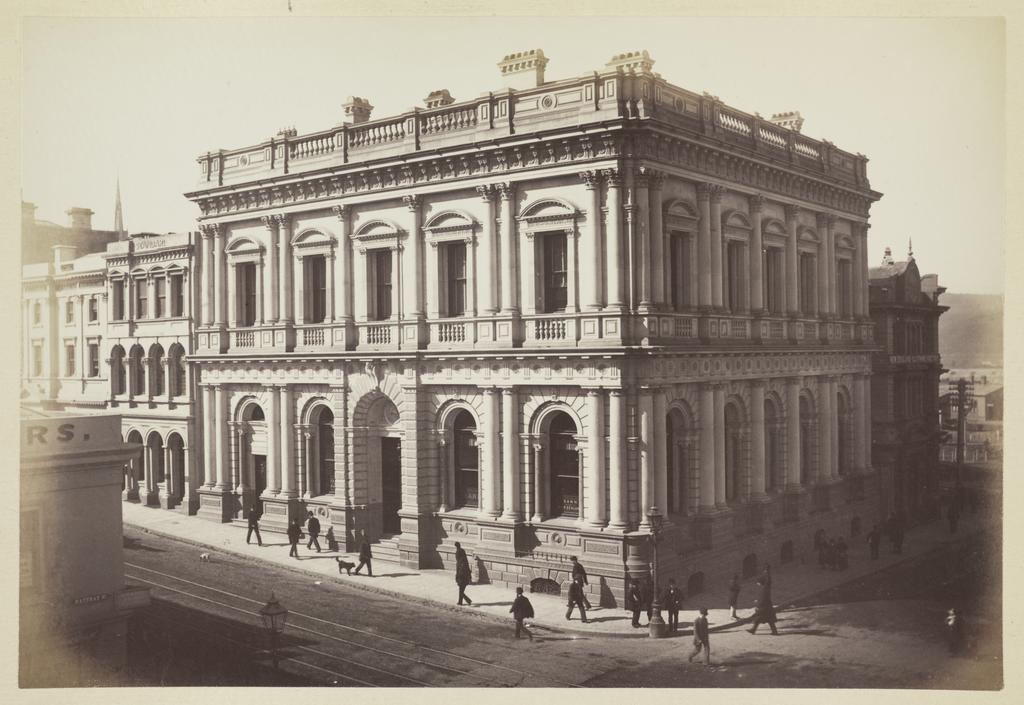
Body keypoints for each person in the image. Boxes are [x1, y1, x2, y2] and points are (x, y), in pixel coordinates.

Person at [454, 541, 473, 606]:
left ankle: (462, 601)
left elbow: (459, 571)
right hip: (464, 577)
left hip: (462, 577)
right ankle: (465, 601)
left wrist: (458, 577)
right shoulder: (463, 557)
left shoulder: (460, 563)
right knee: (461, 590)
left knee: (461, 590)